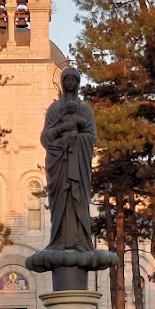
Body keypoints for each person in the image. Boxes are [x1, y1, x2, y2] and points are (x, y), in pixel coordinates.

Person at [40, 65, 96, 252]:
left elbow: (91, 136)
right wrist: (61, 131)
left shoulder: (85, 109)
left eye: (73, 80)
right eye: (67, 80)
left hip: (78, 164)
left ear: (78, 83)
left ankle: (80, 239)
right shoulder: (54, 109)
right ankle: (59, 240)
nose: (70, 83)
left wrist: (75, 138)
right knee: (61, 201)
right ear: (62, 83)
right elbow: (46, 137)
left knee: (77, 198)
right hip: (59, 164)